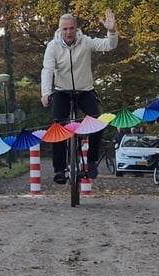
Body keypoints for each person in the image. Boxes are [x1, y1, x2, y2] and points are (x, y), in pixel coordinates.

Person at [40, 10, 119, 184]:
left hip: (85, 90)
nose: (68, 32)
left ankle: (91, 161)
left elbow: (109, 45)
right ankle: (59, 169)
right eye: (65, 29)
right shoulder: (53, 46)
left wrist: (112, 31)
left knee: (97, 122)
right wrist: (46, 93)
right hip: (62, 90)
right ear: (60, 30)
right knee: (58, 126)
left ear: (76, 29)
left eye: (71, 29)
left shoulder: (86, 42)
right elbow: (47, 70)